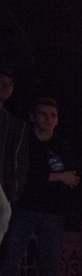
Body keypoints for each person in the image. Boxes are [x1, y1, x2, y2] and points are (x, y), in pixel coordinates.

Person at [0, 98, 78, 276]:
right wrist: (58, 177)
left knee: (51, 264)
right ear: (32, 117)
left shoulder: (62, 145)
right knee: (11, 260)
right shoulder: (23, 142)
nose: (48, 119)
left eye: (52, 115)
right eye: (43, 114)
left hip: (52, 212)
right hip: (23, 209)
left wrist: (57, 179)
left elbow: (74, 177)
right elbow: (24, 175)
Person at [0, 67, 28, 245]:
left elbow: (17, 158)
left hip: (3, 183)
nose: (6, 87)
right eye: (1, 82)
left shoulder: (12, 122)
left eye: (10, 84)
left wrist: (14, 188)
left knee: (5, 214)